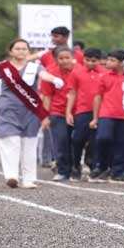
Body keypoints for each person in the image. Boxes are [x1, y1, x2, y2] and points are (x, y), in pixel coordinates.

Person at [0, 39, 58, 188]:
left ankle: (29, 179)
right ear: (11, 51)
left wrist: (55, 79)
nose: (21, 51)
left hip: (30, 111)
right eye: (18, 49)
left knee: (29, 144)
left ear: (28, 51)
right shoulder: (3, 68)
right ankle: (11, 176)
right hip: (8, 110)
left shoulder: (35, 67)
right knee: (11, 141)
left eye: (24, 49)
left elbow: (44, 75)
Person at [91, 50, 124, 183]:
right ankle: (102, 165)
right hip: (106, 113)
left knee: (122, 144)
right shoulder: (104, 76)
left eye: (112, 60)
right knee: (103, 138)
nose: (107, 62)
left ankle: (117, 171)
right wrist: (95, 117)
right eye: (108, 59)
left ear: (121, 63)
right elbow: (98, 96)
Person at [40, 46, 80, 182]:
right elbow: (47, 96)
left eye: (67, 58)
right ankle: (62, 170)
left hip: (78, 111)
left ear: (73, 58)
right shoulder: (50, 74)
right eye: (61, 58)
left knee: (76, 142)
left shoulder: (79, 70)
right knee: (61, 141)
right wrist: (45, 116)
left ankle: (76, 168)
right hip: (57, 112)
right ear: (56, 59)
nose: (64, 61)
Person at [66, 48, 106, 177]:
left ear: (99, 61)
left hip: (101, 111)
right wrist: (68, 112)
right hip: (82, 110)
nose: (90, 63)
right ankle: (76, 164)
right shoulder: (77, 73)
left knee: (96, 140)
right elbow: (72, 93)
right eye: (87, 60)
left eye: (93, 61)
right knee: (78, 139)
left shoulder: (105, 73)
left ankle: (93, 164)